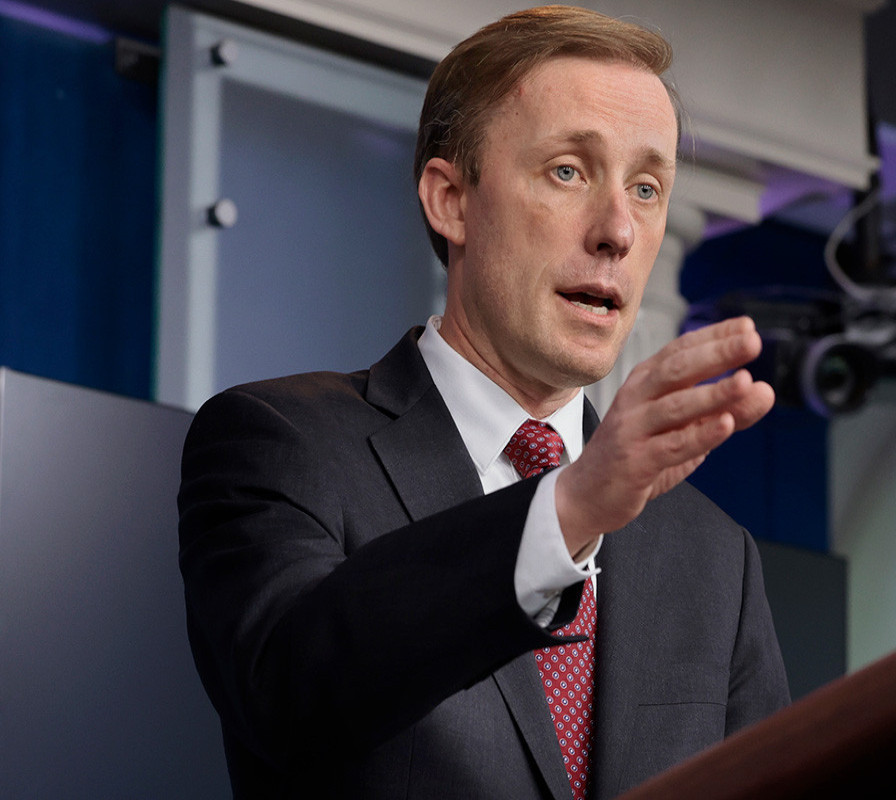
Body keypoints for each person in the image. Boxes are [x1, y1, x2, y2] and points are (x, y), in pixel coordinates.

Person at [178, 5, 790, 799]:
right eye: (568, 171)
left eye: (646, 188)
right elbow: (290, 695)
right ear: (451, 200)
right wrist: (567, 510)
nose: (619, 230)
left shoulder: (714, 557)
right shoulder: (282, 443)